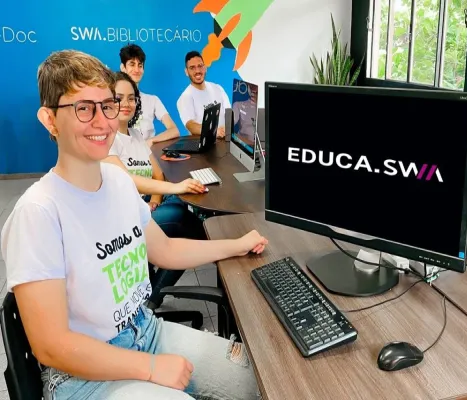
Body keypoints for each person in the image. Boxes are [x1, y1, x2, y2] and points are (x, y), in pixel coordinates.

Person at [0, 49, 268, 399]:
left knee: (257, 379)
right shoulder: (38, 212)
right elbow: (51, 346)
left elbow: (165, 249)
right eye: (83, 108)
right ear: (50, 120)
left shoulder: (118, 182)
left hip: (145, 332)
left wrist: (236, 245)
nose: (102, 122)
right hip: (82, 375)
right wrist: (151, 368)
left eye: (107, 106)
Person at [103, 71, 207, 309]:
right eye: (118, 98)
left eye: (131, 98)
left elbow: (157, 173)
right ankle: (152, 299)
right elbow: (127, 180)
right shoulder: (106, 138)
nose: (126, 104)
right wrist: (174, 187)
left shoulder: (136, 135)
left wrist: (156, 200)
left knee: (185, 207)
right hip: (125, 217)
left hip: (146, 206)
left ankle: (152, 292)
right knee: (186, 222)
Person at [120, 44, 180, 146]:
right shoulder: (113, 100)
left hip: (149, 153)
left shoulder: (152, 100)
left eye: (140, 65)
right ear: (123, 67)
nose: (136, 70)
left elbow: (174, 130)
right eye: (132, 64)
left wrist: (151, 141)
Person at [176, 51, 231, 138]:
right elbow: (190, 125)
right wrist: (213, 131)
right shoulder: (185, 97)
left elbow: (229, 113)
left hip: (225, 139)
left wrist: (228, 127)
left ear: (205, 68)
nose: (197, 71)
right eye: (192, 68)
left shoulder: (218, 88)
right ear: (186, 72)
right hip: (203, 143)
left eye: (200, 66)